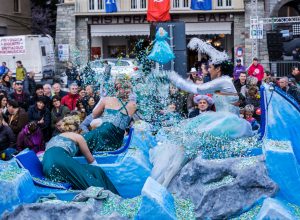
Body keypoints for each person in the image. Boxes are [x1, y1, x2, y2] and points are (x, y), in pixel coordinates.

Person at [151, 60, 254, 186]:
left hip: (227, 123)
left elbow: (198, 88)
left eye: (210, 67)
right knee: (187, 141)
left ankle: (167, 181)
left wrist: (173, 77)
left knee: (187, 140)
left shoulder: (223, 81)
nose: (208, 70)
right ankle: (171, 178)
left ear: (218, 69)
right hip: (226, 121)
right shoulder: (226, 81)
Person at [42, 115, 119, 192]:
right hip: (61, 161)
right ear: (78, 129)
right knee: (93, 180)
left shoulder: (55, 137)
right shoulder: (78, 137)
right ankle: (111, 196)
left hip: (46, 166)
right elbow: (91, 160)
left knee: (95, 171)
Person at [83, 77, 137, 152]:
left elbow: (94, 114)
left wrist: (102, 99)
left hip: (100, 136)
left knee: (79, 143)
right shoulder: (133, 105)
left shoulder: (106, 100)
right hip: (116, 142)